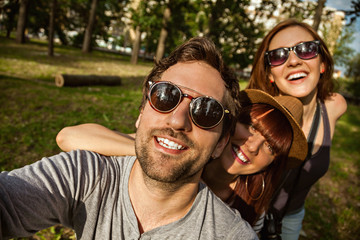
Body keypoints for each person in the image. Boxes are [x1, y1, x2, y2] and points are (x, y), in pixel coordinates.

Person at [0, 37, 258, 239]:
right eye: (165, 96)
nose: (178, 121)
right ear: (142, 111)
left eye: (206, 111)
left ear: (221, 143)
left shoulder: (230, 234)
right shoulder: (85, 176)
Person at [56, 89, 308, 232]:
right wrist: (162, 156)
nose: (252, 146)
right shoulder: (187, 143)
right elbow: (68, 137)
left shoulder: (251, 209)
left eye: (270, 148)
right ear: (230, 123)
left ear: (272, 164)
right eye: (250, 127)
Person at [248, 19, 347, 240]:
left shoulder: (336, 106)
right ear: (270, 75)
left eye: (306, 49)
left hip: (291, 219)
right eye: (278, 56)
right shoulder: (257, 118)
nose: (293, 60)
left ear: (322, 64)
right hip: (248, 216)